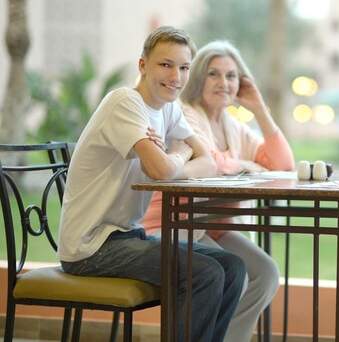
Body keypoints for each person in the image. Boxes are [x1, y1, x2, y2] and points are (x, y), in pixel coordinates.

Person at [57, 26, 246, 342]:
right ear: (143, 65)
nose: (176, 76)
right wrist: (178, 155)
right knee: (204, 274)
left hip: (129, 235)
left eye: (184, 67)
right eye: (165, 64)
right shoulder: (125, 102)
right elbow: (159, 170)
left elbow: (207, 161)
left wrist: (174, 153)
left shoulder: (168, 108)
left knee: (232, 266)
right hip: (90, 247)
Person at [142, 39, 294, 342]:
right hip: (173, 223)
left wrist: (260, 110)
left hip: (210, 223)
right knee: (229, 272)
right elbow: (209, 162)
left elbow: (283, 164)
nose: (224, 82)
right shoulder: (185, 114)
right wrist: (246, 165)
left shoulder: (232, 125)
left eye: (231, 75)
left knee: (266, 273)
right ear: (198, 77)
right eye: (214, 74)